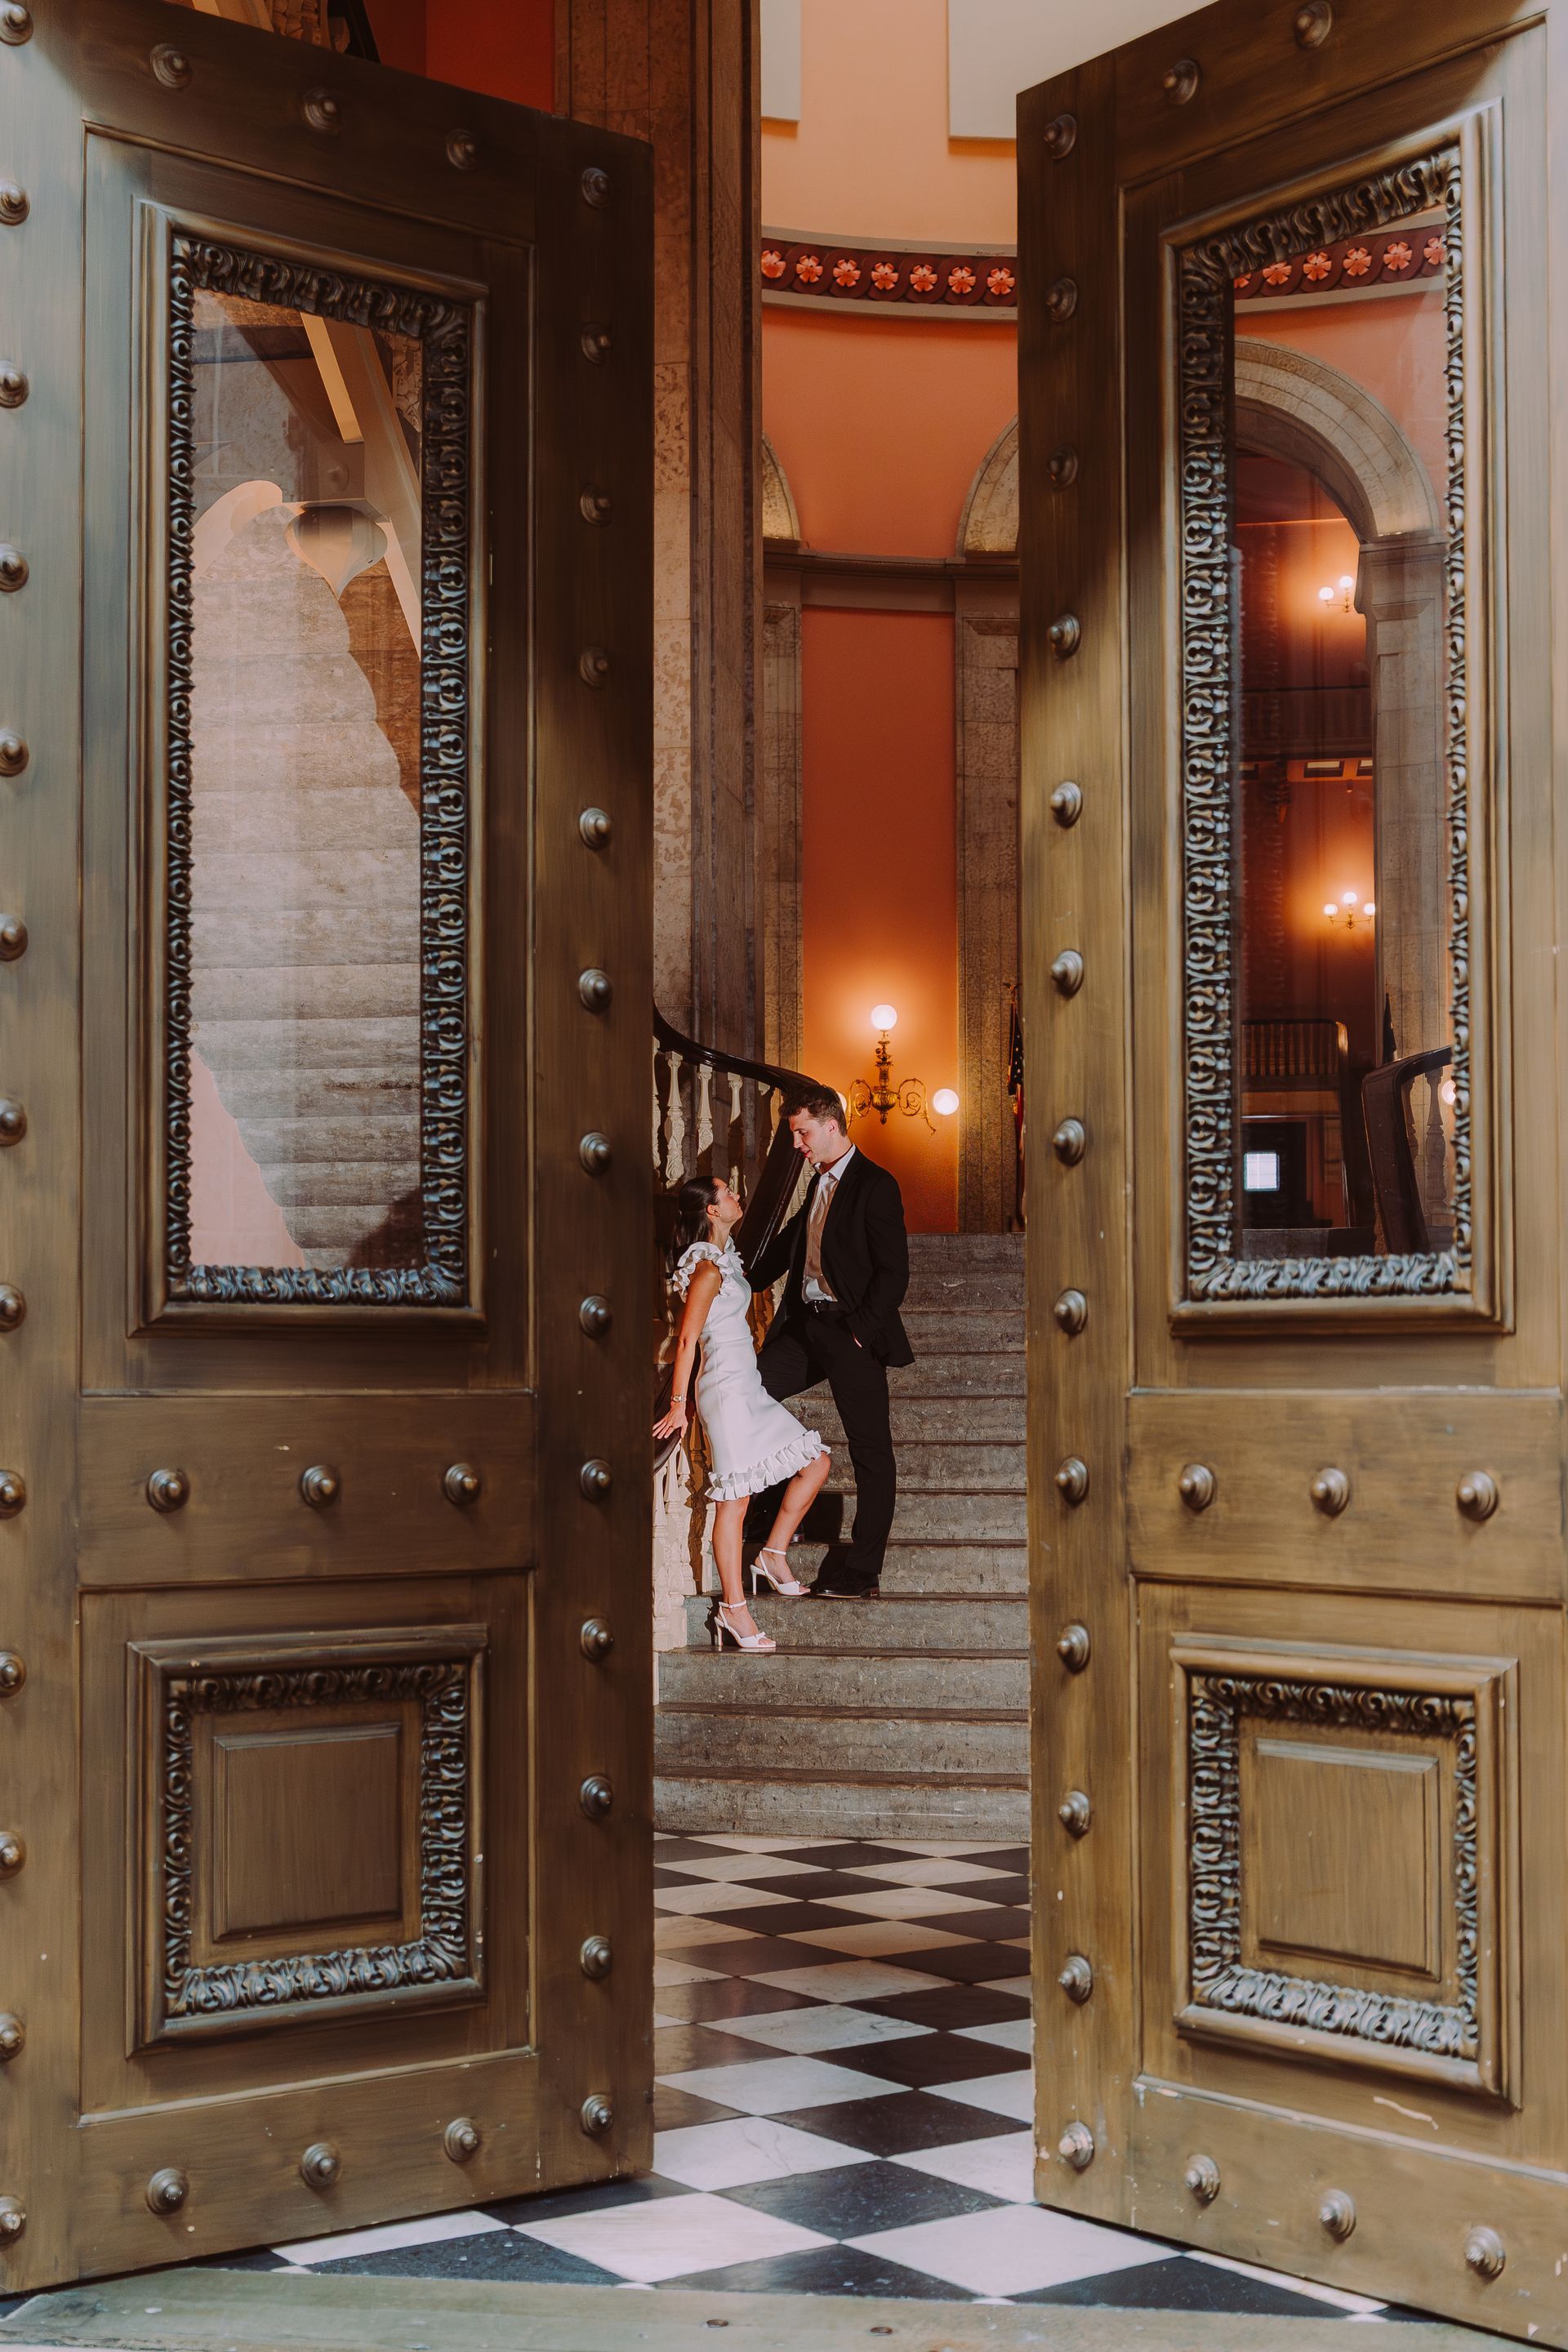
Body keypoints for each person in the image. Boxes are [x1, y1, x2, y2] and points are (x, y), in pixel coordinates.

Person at [745, 1083, 913, 1598]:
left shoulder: (875, 1185)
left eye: (802, 1133)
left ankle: (863, 1574)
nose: (797, 1144)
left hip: (850, 1330)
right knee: (748, 1395)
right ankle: (772, 1522)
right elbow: (779, 1256)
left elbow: (894, 1273)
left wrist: (862, 1329)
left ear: (832, 1126)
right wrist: (725, 1266)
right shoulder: (817, 1186)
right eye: (794, 1134)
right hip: (804, 1329)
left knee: (871, 1454)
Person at [653, 1174, 832, 1652]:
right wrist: (678, 1403)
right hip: (727, 1393)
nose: (737, 1195)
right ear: (711, 1210)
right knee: (735, 1501)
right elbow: (688, 1339)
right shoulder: (707, 1270)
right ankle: (734, 1609)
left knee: (816, 1462)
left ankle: (772, 1554)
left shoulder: (723, 1261)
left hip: (747, 1385)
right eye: (727, 1192)